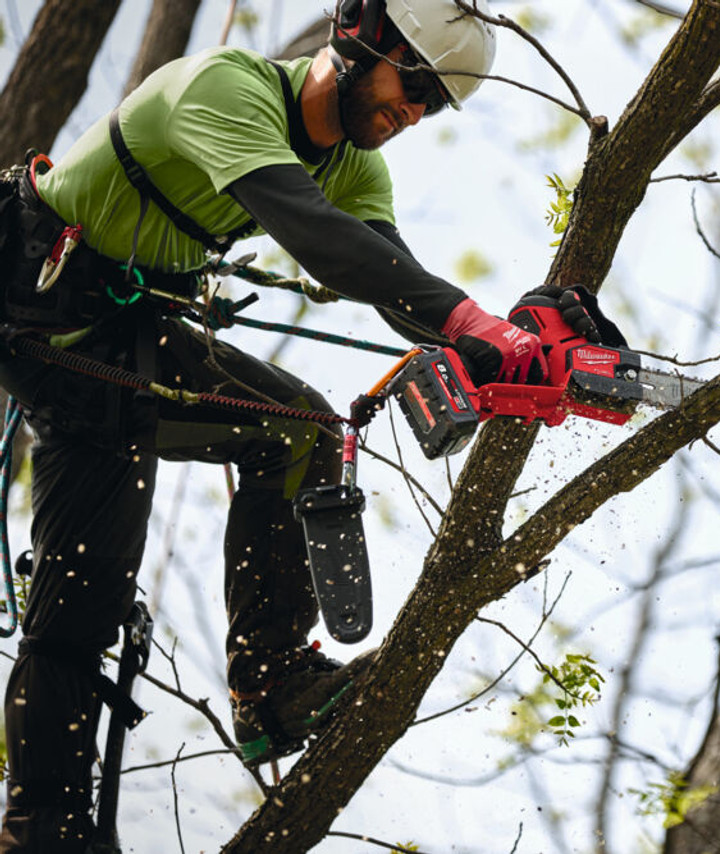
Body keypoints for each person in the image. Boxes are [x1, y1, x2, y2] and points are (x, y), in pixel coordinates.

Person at [0, 1, 586, 850]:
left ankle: (272, 682)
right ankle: (41, 829)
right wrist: (469, 321)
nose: (413, 112)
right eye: (412, 84)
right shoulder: (225, 89)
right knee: (86, 592)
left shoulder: (357, 167)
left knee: (300, 428)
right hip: (43, 303)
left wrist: (519, 345)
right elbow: (317, 237)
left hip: (128, 329)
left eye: (433, 104)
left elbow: (392, 280)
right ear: (362, 40)